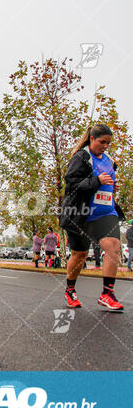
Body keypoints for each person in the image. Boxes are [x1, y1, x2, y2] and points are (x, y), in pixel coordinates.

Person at [60, 124, 125, 310]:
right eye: (102, 142)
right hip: (82, 214)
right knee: (80, 255)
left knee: (113, 247)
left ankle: (107, 294)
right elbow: (72, 184)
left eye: (108, 143)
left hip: (106, 212)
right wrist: (97, 181)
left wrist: (111, 187)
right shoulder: (81, 157)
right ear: (92, 139)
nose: (105, 146)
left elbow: (107, 180)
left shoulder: (109, 159)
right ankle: (70, 289)